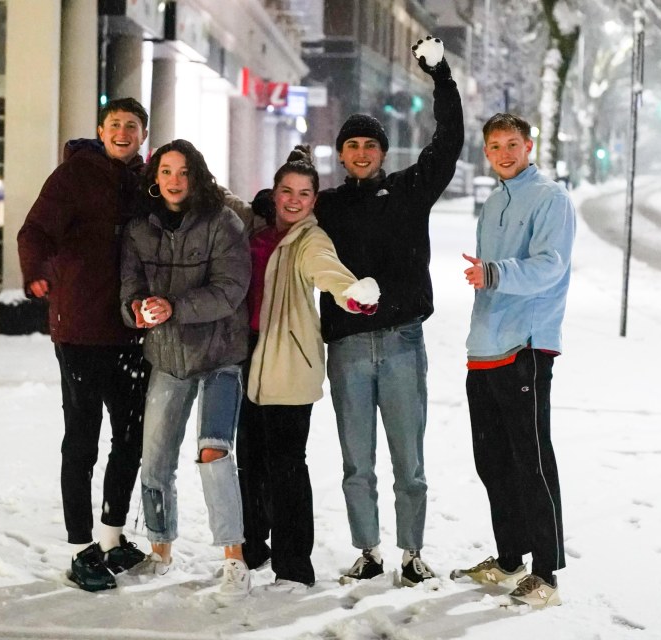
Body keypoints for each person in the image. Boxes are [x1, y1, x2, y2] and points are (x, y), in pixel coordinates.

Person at [313, 36, 464, 586]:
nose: (360, 153)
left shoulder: (408, 192)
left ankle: (412, 553)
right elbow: (276, 206)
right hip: (348, 346)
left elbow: (448, 144)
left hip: (401, 343)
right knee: (357, 463)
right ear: (341, 153)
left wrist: (441, 77)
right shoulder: (323, 207)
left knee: (410, 463)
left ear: (381, 152)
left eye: (369, 145)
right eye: (351, 145)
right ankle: (369, 551)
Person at [17, 97, 150, 592]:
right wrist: (37, 275)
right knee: (82, 442)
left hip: (132, 333)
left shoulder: (145, 179)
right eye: (115, 124)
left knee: (130, 438)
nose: (122, 132)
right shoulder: (74, 176)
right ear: (100, 130)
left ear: (142, 134)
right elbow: (34, 231)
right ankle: (81, 548)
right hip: (80, 331)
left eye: (131, 126)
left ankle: (113, 538)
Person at [236, 146, 380, 591]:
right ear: (273, 194)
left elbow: (328, 271)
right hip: (246, 357)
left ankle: (294, 565)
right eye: (286, 191)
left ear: (315, 200)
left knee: (286, 467)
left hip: (288, 363)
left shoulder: (310, 239)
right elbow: (223, 201)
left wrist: (353, 294)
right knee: (248, 462)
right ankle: (252, 549)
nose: (294, 200)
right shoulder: (257, 232)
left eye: (304, 193)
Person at [119, 139, 253, 599]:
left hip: (219, 358)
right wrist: (136, 309)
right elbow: (129, 288)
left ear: (196, 176)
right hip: (168, 358)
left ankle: (234, 558)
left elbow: (230, 290)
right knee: (154, 460)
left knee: (214, 452)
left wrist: (172, 306)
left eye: (183, 172)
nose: (175, 181)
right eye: (166, 171)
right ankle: (160, 550)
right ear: (155, 178)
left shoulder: (223, 222)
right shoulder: (140, 228)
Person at [450, 113, 575, 609]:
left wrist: (495, 273)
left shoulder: (550, 198)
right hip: (484, 346)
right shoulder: (495, 200)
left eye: (512, 144)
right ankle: (509, 561)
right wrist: (488, 278)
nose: (503, 153)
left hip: (524, 345)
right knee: (493, 462)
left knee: (532, 462)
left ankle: (546, 573)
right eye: (494, 145)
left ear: (529, 145)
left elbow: (550, 266)